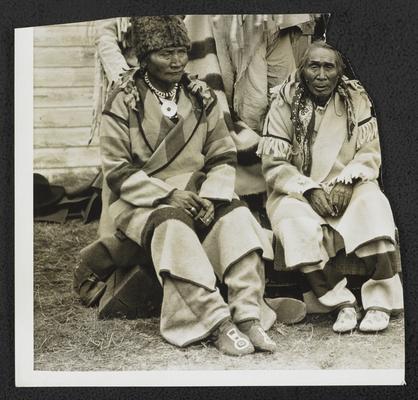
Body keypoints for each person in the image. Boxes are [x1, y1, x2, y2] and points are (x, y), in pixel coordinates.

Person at [95, 15, 280, 356]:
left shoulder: (200, 95)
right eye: (166, 53)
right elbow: (117, 170)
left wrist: (213, 194)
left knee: (237, 219)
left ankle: (249, 313)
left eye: (181, 51)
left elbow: (222, 155)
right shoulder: (123, 100)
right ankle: (215, 321)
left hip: (199, 191)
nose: (177, 60)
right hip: (142, 199)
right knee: (173, 228)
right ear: (144, 55)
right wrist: (167, 195)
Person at [257, 41, 403, 333]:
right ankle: (340, 302)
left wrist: (348, 181)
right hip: (298, 191)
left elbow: (369, 152)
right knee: (292, 223)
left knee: (374, 206)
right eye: (314, 66)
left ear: (339, 72)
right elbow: (274, 164)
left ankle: (380, 301)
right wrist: (308, 189)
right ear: (302, 71)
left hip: (349, 184)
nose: (321, 75)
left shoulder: (355, 99)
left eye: (328, 67)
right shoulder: (283, 103)